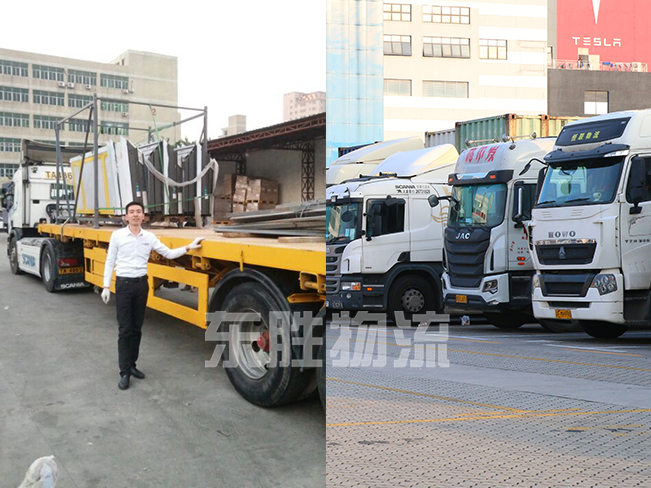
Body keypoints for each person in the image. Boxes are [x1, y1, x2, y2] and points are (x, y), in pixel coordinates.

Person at [102, 201, 204, 390]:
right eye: (131, 212)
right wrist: (106, 286)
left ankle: (132, 365)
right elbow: (110, 261)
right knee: (125, 330)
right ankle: (124, 372)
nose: (135, 215)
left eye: (138, 212)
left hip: (141, 285)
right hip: (123, 285)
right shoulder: (117, 236)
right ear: (126, 217)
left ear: (143, 216)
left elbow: (169, 254)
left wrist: (189, 247)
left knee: (137, 328)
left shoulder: (149, 237)